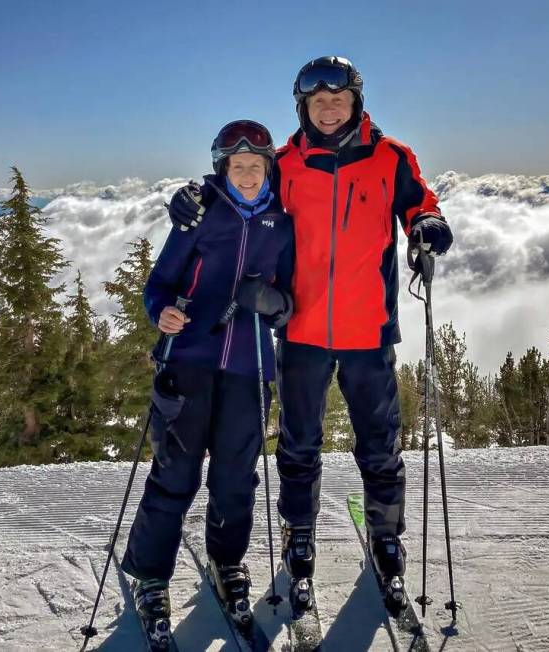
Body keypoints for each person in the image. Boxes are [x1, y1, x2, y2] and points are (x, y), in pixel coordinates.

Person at [166, 56, 454, 614]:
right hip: (299, 329)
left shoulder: (391, 157)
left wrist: (426, 223)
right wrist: (191, 196)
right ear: (303, 106)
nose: (328, 108)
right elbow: (234, 186)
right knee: (298, 445)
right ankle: (300, 533)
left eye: (338, 99)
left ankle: (386, 536)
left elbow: (419, 201)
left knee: (380, 445)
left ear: (355, 103)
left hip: (368, 329)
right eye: (317, 100)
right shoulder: (283, 163)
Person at [120, 119, 294, 645]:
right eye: (237, 166)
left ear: (268, 169)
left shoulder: (282, 224)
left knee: (236, 479)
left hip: (248, 369)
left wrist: (272, 303)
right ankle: (152, 574)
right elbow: (160, 285)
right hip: (188, 361)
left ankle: (228, 562)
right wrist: (163, 312)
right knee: (175, 475)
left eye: (255, 166)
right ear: (223, 167)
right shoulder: (198, 214)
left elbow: (289, 301)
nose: (246, 174)